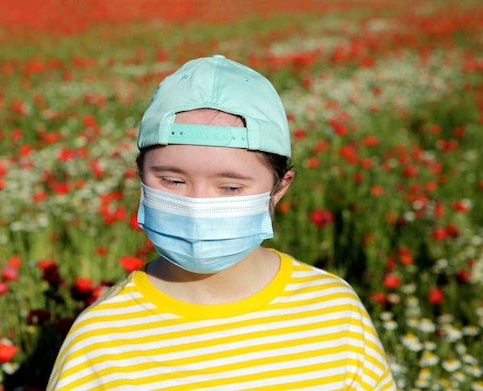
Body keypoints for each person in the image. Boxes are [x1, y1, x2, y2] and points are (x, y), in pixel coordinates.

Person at [47, 55, 396, 390]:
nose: (198, 206)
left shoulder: (333, 313)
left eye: (230, 187)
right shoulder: (102, 340)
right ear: (141, 176)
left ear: (279, 188)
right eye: (171, 181)